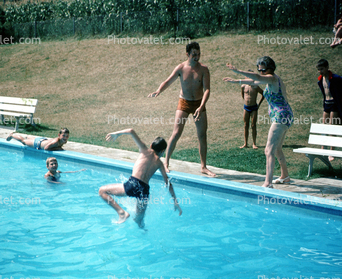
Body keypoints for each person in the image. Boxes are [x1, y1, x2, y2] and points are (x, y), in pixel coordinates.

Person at [223, 56, 293, 188]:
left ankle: (268, 183)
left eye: (262, 70)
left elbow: (256, 77)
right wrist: (236, 81)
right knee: (277, 149)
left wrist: (238, 71)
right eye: (259, 70)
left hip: (281, 116)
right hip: (284, 115)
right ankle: (285, 176)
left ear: (269, 69)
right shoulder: (269, 81)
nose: (260, 72)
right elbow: (253, 81)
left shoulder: (272, 78)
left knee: (269, 150)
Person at [148, 41, 215, 177]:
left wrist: (201, 106)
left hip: (198, 103)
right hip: (184, 102)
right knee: (176, 132)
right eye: (194, 55)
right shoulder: (181, 68)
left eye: (198, 54)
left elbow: (207, 89)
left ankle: (203, 167)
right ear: (187, 54)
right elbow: (168, 81)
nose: (197, 57)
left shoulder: (203, 69)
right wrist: (159, 90)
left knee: (202, 135)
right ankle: (165, 163)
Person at [98, 128, 182, 228]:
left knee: (102, 191)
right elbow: (168, 183)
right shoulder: (160, 164)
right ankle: (144, 234)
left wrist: (116, 134)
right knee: (139, 221)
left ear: (151, 145)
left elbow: (131, 130)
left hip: (133, 184)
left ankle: (122, 213)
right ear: (163, 151)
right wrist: (175, 201)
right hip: (145, 191)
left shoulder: (144, 150)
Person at [316, 59, 342, 161]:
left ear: (327, 68)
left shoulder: (335, 78)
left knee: (332, 128)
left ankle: (331, 152)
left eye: (322, 69)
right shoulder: (320, 79)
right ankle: (323, 149)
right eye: (318, 69)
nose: (320, 71)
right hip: (326, 104)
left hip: (334, 104)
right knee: (324, 127)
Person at [240, 72, 264, 149]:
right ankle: (245, 143)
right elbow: (243, 95)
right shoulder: (243, 86)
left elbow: (263, 94)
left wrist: (259, 104)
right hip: (246, 107)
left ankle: (254, 143)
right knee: (245, 125)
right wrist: (245, 101)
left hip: (254, 108)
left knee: (253, 125)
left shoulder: (255, 86)